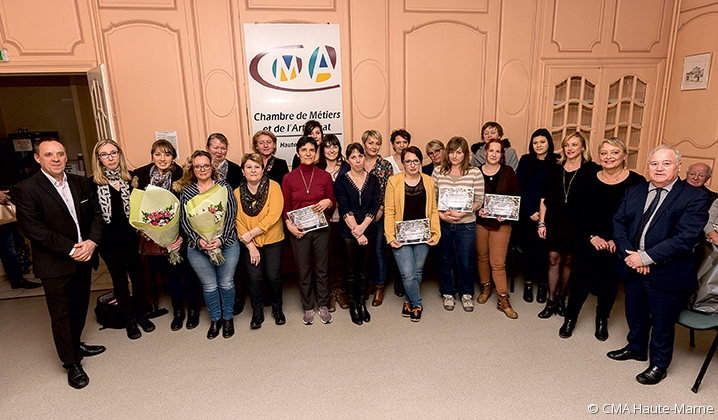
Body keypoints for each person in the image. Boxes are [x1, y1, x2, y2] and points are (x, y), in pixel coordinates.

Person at [608, 145, 709, 385]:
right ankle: (636, 348)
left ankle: (659, 364)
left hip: (667, 271)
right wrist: (631, 257)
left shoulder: (694, 197)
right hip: (633, 266)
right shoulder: (634, 191)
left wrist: (645, 258)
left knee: (663, 322)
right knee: (635, 313)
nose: (659, 168)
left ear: (678, 167)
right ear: (648, 166)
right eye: (654, 164)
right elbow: (618, 223)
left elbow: (685, 238)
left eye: (666, 163)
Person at [13, 137, 105, 389]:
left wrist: (91, 243)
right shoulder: (27, 189)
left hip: (85, 256)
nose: (56, 159)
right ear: (37, 158)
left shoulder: (80, 182)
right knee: (61, 314)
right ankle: (71, 363)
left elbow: (97, 215)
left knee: (79, 307)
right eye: (49, 155)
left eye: (60, 154)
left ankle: (75, 344)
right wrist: (69, 249)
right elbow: (33, 229)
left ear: (66, 157)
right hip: (55, 263)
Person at [559, 138, 645, 340]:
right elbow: (574, 212)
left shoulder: (637, 182)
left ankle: (602, 319)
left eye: (614, 153)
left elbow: (639, 218)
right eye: (604, 153)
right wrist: (590, 236)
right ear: (599, 156)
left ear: (624, 155)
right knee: (580, 281)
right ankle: (570, 318)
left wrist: (619, 240)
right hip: (589, 240)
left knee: (610, 283)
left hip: (618, 244)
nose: (609, 157)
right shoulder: (587, 178)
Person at [132, 139, 201, 331]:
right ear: (152, 156)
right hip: (158, 237)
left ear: (173, 157)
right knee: (172, 275)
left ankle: (193, 310)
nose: (163, 159)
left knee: (188, 273)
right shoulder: (141, 176)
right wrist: (148, 231)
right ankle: (178, 311)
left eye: (167, 154)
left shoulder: (183, 176)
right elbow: (138, 209)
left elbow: (191, 208)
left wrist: (181, 237)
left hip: (183, 235)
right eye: (158, 154)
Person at [90, 139, 154, 340]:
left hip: (132, 237)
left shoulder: (132, 178)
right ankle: (129, 320)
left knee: (138, 277)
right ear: (98, 159)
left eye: (113, 153)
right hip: (108, 241)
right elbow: (92, 216)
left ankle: (142, 314)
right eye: (104, 154)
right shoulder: (92, 183)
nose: (110, 158)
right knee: (119, 281)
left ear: (119, 154)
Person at [537, 132, 599, 318]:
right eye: (567, 145)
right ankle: (551, 301)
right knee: (553, 259)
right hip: (555, 220)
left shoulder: (591, 170)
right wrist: (541, 222)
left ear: (582, 147)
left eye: (574, 145)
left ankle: (562, 299)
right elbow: (543, 198)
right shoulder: (554, 167)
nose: (570, 149)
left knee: (570, 260)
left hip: (578, 223)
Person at [179, 150, 239, 340]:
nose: (202, 169)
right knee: (210, 286)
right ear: (193, 169)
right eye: (198, 166)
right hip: (198, 248)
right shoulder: (187, 192)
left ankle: (228, 318)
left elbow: (231, 215)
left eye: (206, 165)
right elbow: (184, 220)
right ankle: (215, 319)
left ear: (211, 167)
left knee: (226, 283)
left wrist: (220, 240)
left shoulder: (224, 187)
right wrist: (200, 241)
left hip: (226, 243)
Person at [283, 136, 335, 325]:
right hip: (300, 230)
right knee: (304, 269)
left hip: (322, 229)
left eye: (311, 150)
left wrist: (328, 201)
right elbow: (286, 207)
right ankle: (307, 306)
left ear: (316, 153)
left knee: (322, 268)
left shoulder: (324, 176)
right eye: (304, 150)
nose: (308, 153)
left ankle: (322, 304)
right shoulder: (289, 178)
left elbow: (332, 202)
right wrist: (289, 226)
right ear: (298, 153)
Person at [384, 146, 440, 322]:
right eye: (408, 161)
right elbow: (389, 211)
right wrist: (390, 236)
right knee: (407, 273)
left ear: (420, 162)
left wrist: (435, 233)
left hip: (423, 235)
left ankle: (407, 300)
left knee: (417, 271)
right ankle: (417, 303)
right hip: (401, 236)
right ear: (402, 163)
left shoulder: (429, 181)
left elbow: (432, 209)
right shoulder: (394, 181)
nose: (412, 164)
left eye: (416, 161)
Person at [432, 136, 483, 312]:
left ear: (465, 154)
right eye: (452, 152)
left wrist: (462, 213)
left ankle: (467, 294)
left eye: (459, 152)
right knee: (445, 260)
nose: (454, 156)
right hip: (444, 223)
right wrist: (441, 216)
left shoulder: (475, 173)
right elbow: (432, 199)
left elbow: (479, 200)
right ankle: (448, 292)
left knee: (465, 261)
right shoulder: (438, 171)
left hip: (466, 224)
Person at [235, 153, 286, 328]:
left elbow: (273, 215)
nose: (253, 170)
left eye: (257, 167)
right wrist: (250, 245)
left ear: (263, 169)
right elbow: (237, 221)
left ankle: (277, 309)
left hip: (273, 240)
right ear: (243, 171)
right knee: (254, 278)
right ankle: (257, 314)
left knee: (273, 277)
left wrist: (251, 234)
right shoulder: (236, 193)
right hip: (250, 245)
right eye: (249, 167)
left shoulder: (274, 187)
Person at [335, 143, 381, 325]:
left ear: (364, 157)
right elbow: (344, 208)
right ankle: (353, 304)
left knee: (364, 269)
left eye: (360, 156)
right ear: (348, 160)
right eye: (353, 157)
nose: (357, 160)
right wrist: (356, 231)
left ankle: (362, 302)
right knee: (351, 270)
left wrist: (363, 229)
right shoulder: (341, 181)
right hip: (348, 232)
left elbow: (374, 205)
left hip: (368, 230)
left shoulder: (374, 180)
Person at [475, 139, 521, 318]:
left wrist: (508, 213)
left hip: (502, 223)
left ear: (502, 154)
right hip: (481, 222)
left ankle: (503, 298)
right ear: (485, 152)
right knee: (482, 257)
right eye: (491, 150)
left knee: (498, 262)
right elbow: (471, 197)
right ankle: (486, 287)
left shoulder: (508, 172)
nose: (494, 154)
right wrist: (478, 209)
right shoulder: (476, 172)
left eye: (498, 151)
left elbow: (516, 197)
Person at [516, 128, 559, 303]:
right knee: (528, 250)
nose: (538, 145)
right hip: (528, 214)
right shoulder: (526, 160)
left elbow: (556, 189)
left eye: (542, 142)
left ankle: (542, 285)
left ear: (549, 142)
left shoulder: (557, 161)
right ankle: (527, 283)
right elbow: (520, 187)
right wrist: (530, 212)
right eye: (535, 142)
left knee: (545, 252)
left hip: (549, 215)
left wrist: (543, 215)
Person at [317, 134, 350, 312]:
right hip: (323, 221)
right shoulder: (317, 169)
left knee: (342, 257)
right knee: (327, 258)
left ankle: (341, 289)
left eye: (335, 146)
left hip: (344, 220)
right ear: (322, 150)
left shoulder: (347, 167)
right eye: (328, 147)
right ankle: (329, 292)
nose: (332, 150)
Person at [361, 130, 395, 306]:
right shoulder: (357, 161)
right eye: (370, 143)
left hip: (380, 215)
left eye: (377, 143)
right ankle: (367, 283)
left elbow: (389, 191)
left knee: (379, 251)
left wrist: (381, 209)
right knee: (363, 251)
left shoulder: (385, 165)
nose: (374, 147)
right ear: (364, 143)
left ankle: (379, 287)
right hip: (359, 216)